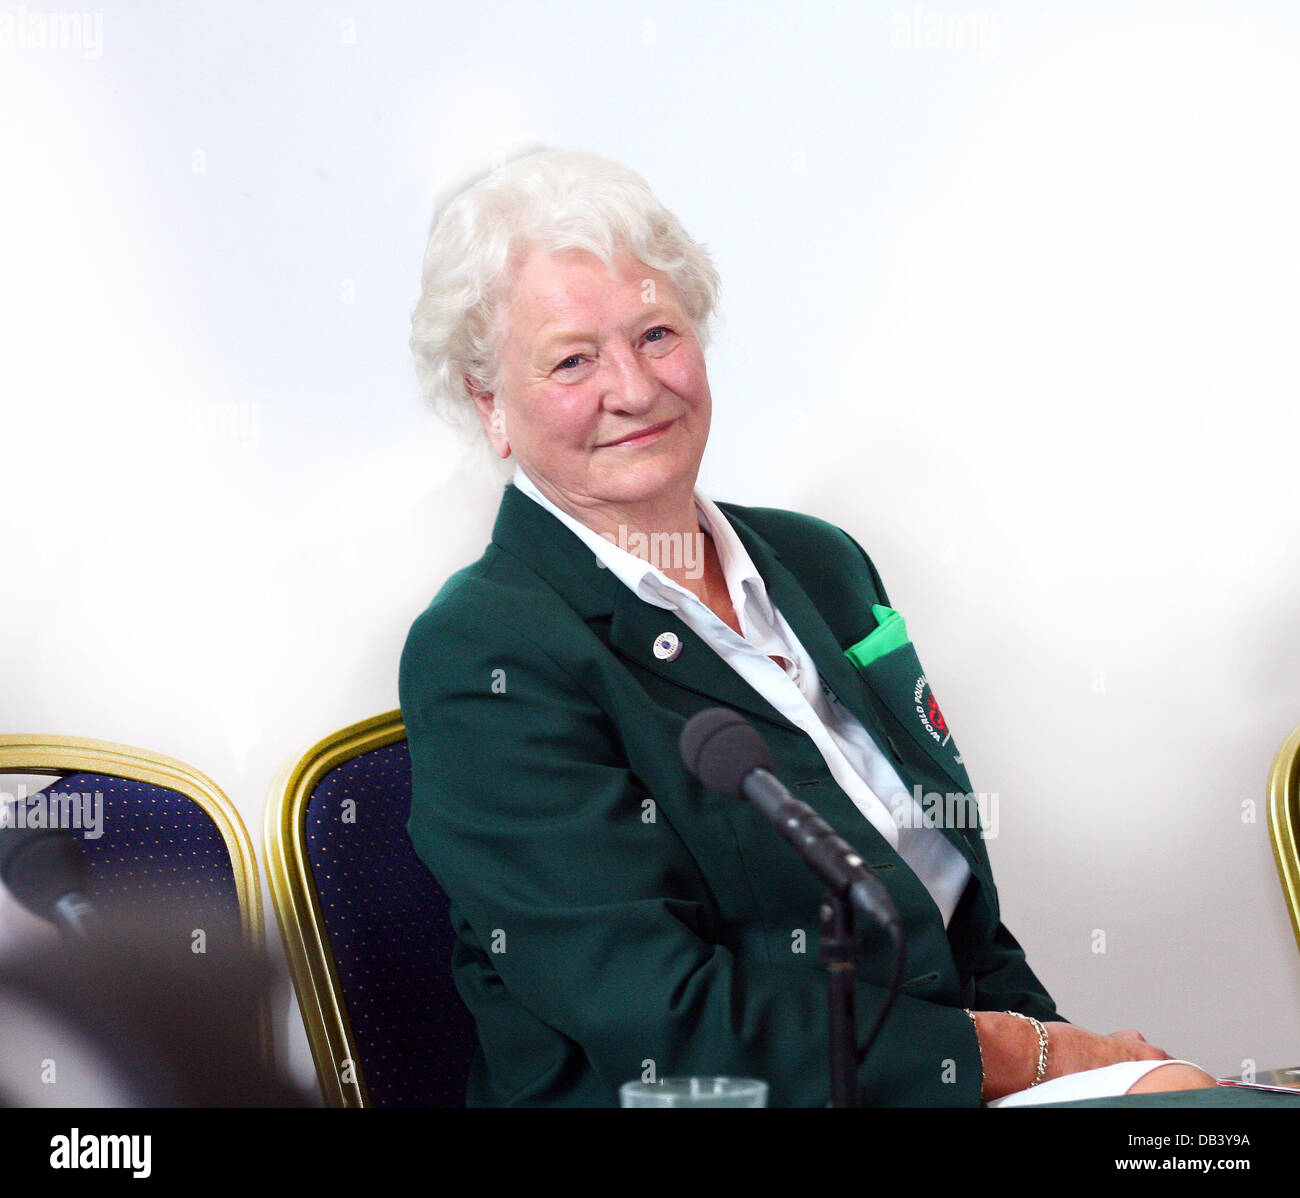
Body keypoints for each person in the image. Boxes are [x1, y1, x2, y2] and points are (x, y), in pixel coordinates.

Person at [400, 149, 1216, 1107]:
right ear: (489, 405)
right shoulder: (486, 654)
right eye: (573, 359)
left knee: (1195, 1120)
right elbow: (671, 1021)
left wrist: (1084, 1065)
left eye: (657, 334)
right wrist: (1020, 1058)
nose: (633, 387)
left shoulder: (821, 565)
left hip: (937, 1082)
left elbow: (948, 906)